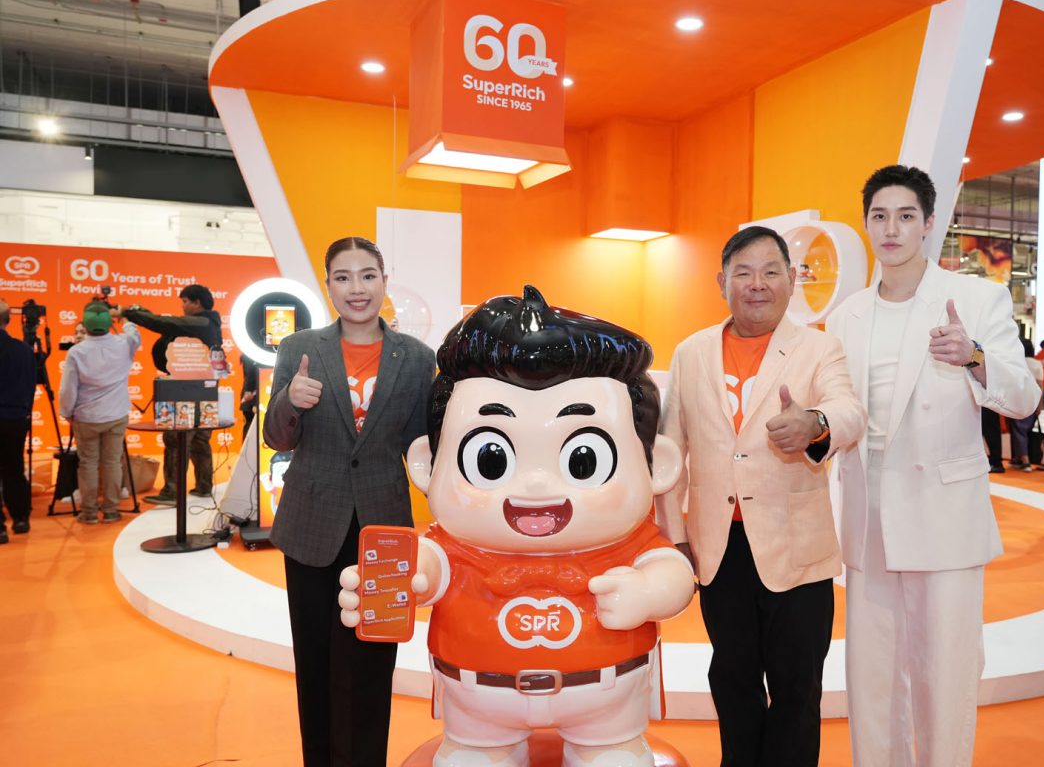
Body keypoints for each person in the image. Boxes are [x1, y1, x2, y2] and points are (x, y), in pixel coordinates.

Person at [339, 286, 694, 767]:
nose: (536, 485)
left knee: (615, 758)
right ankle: (481, 748)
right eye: (491, 460)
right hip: (479, 702)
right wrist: (397, 581)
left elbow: (674, 575)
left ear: (658, 467)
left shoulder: (632, 543)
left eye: (583, 460)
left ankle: (607, 748)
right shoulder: (451, 544)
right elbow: (426, 566)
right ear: (426, 465)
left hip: (606, 698)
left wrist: (650, 592)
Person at [825, 165, 1041, 767]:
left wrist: (974, 357)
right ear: (867, 223)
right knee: (872, 677)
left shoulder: (976, 298)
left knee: (945, 672)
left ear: (927, 223)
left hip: (943, 515)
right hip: (868, 516)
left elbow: (1024, 397)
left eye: (905, 216)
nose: (891, 229)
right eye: (879, 216)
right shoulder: (846, 316)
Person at [655, 226, 866, 766]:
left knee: (798, 691)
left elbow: (848, 410)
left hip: (797, 552)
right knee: (733, 682)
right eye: (744, 273)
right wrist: (674, 538)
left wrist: (814, 422)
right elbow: (669, 452)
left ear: (792, 279)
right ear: (721, 281)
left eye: (771, 272)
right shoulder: (691, 352)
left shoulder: (819, 348)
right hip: (718, 550)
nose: (758, 284)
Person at [263, 236, 435, 767]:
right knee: (315, 662)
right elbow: (276, 437)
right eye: (342, 277)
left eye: (366, 275)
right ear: (328, 285)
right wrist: (290, 401)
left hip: (384, 531)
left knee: (372, 663)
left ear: (383, 281)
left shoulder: (417, 359)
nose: (356, 288)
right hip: (311, 525)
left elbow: (420, 446)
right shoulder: (299, 348)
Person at [121, 285, 223, 504]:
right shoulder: (207, 324)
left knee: (177, 439)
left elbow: (164, 323)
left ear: (197, 302)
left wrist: (130, 314)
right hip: (203, 390)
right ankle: (204, 486)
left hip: (185, 391)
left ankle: (172, 492)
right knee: (199, 441)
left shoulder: (202, 323)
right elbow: (166, 323)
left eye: (185, 301)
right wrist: (142, 313)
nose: (183, 306)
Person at [58, 301, 140, 524]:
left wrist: (67, 411)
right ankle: (111, 510)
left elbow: (68, 389)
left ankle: (89, 513)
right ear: (108, 323)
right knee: (113, 463)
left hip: (86, 417)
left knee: (88, 464)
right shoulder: (124, 344)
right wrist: (123, 317)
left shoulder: (77, 351)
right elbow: (134, 334)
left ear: (85, 325)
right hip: (116, 414)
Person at [0, 300, 37, 544]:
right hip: (15, 418)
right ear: (8, 320)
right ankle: (21, 518)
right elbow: (30, 384)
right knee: (14, 468)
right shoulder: (23, 350)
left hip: (13, 415)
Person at [1008, 337, 1044, 471]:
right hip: (1033, 400)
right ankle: (1019, 458)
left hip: (1017, 399)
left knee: (1019, 430)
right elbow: (1041, 385)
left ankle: (1025, 460)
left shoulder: (1017, 361)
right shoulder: (1037, 364)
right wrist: (1040, 405)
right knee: (1024, 430)